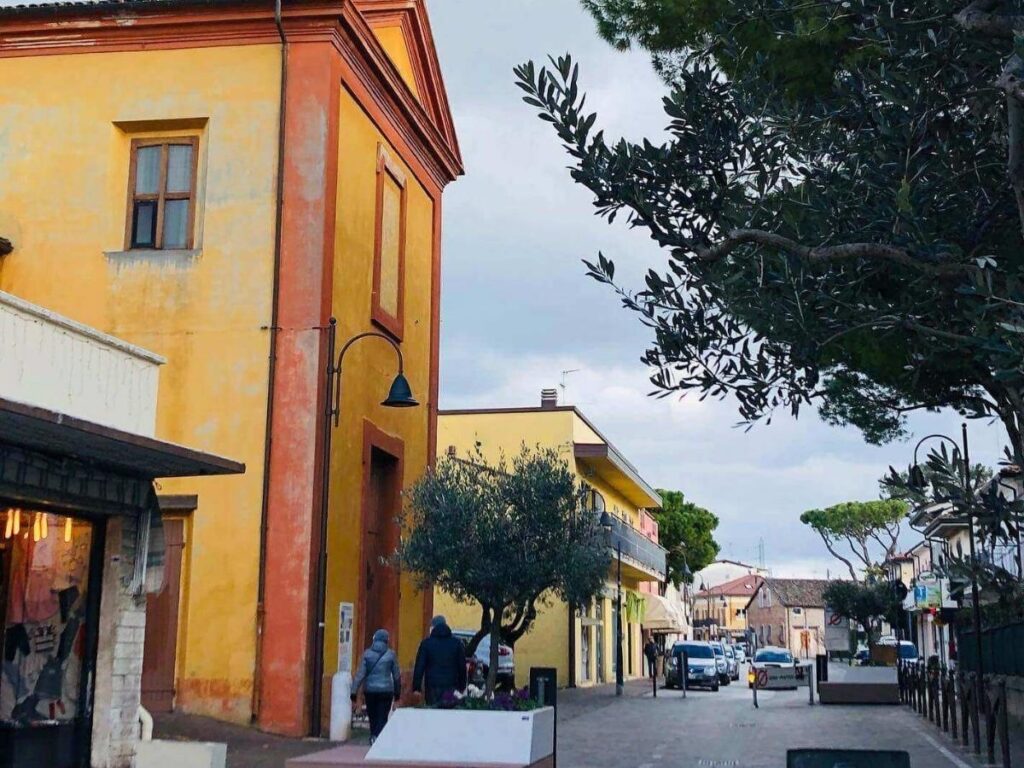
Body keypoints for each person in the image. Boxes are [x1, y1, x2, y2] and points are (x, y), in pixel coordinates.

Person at [351, 628, 401, 743]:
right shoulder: (391, 655)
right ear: (386, 641)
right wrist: (397, 696)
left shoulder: (367, 654)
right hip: (386, 691)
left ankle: (374, 735)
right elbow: (397, 676)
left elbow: (360, 675)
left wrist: (353, 693)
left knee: (372, 715)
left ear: (374, 639)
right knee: (383, 715)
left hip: (370, 691)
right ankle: (378, 738)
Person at [412, 615, 466, 705]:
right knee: (450, 713)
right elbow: (462, 667)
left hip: (432, 686)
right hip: (452, 685)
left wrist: (416, 687)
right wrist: (462, 686)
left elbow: (419, 667)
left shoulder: (426, 644)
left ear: (433, 627)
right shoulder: (456, 643)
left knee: (433, 713)